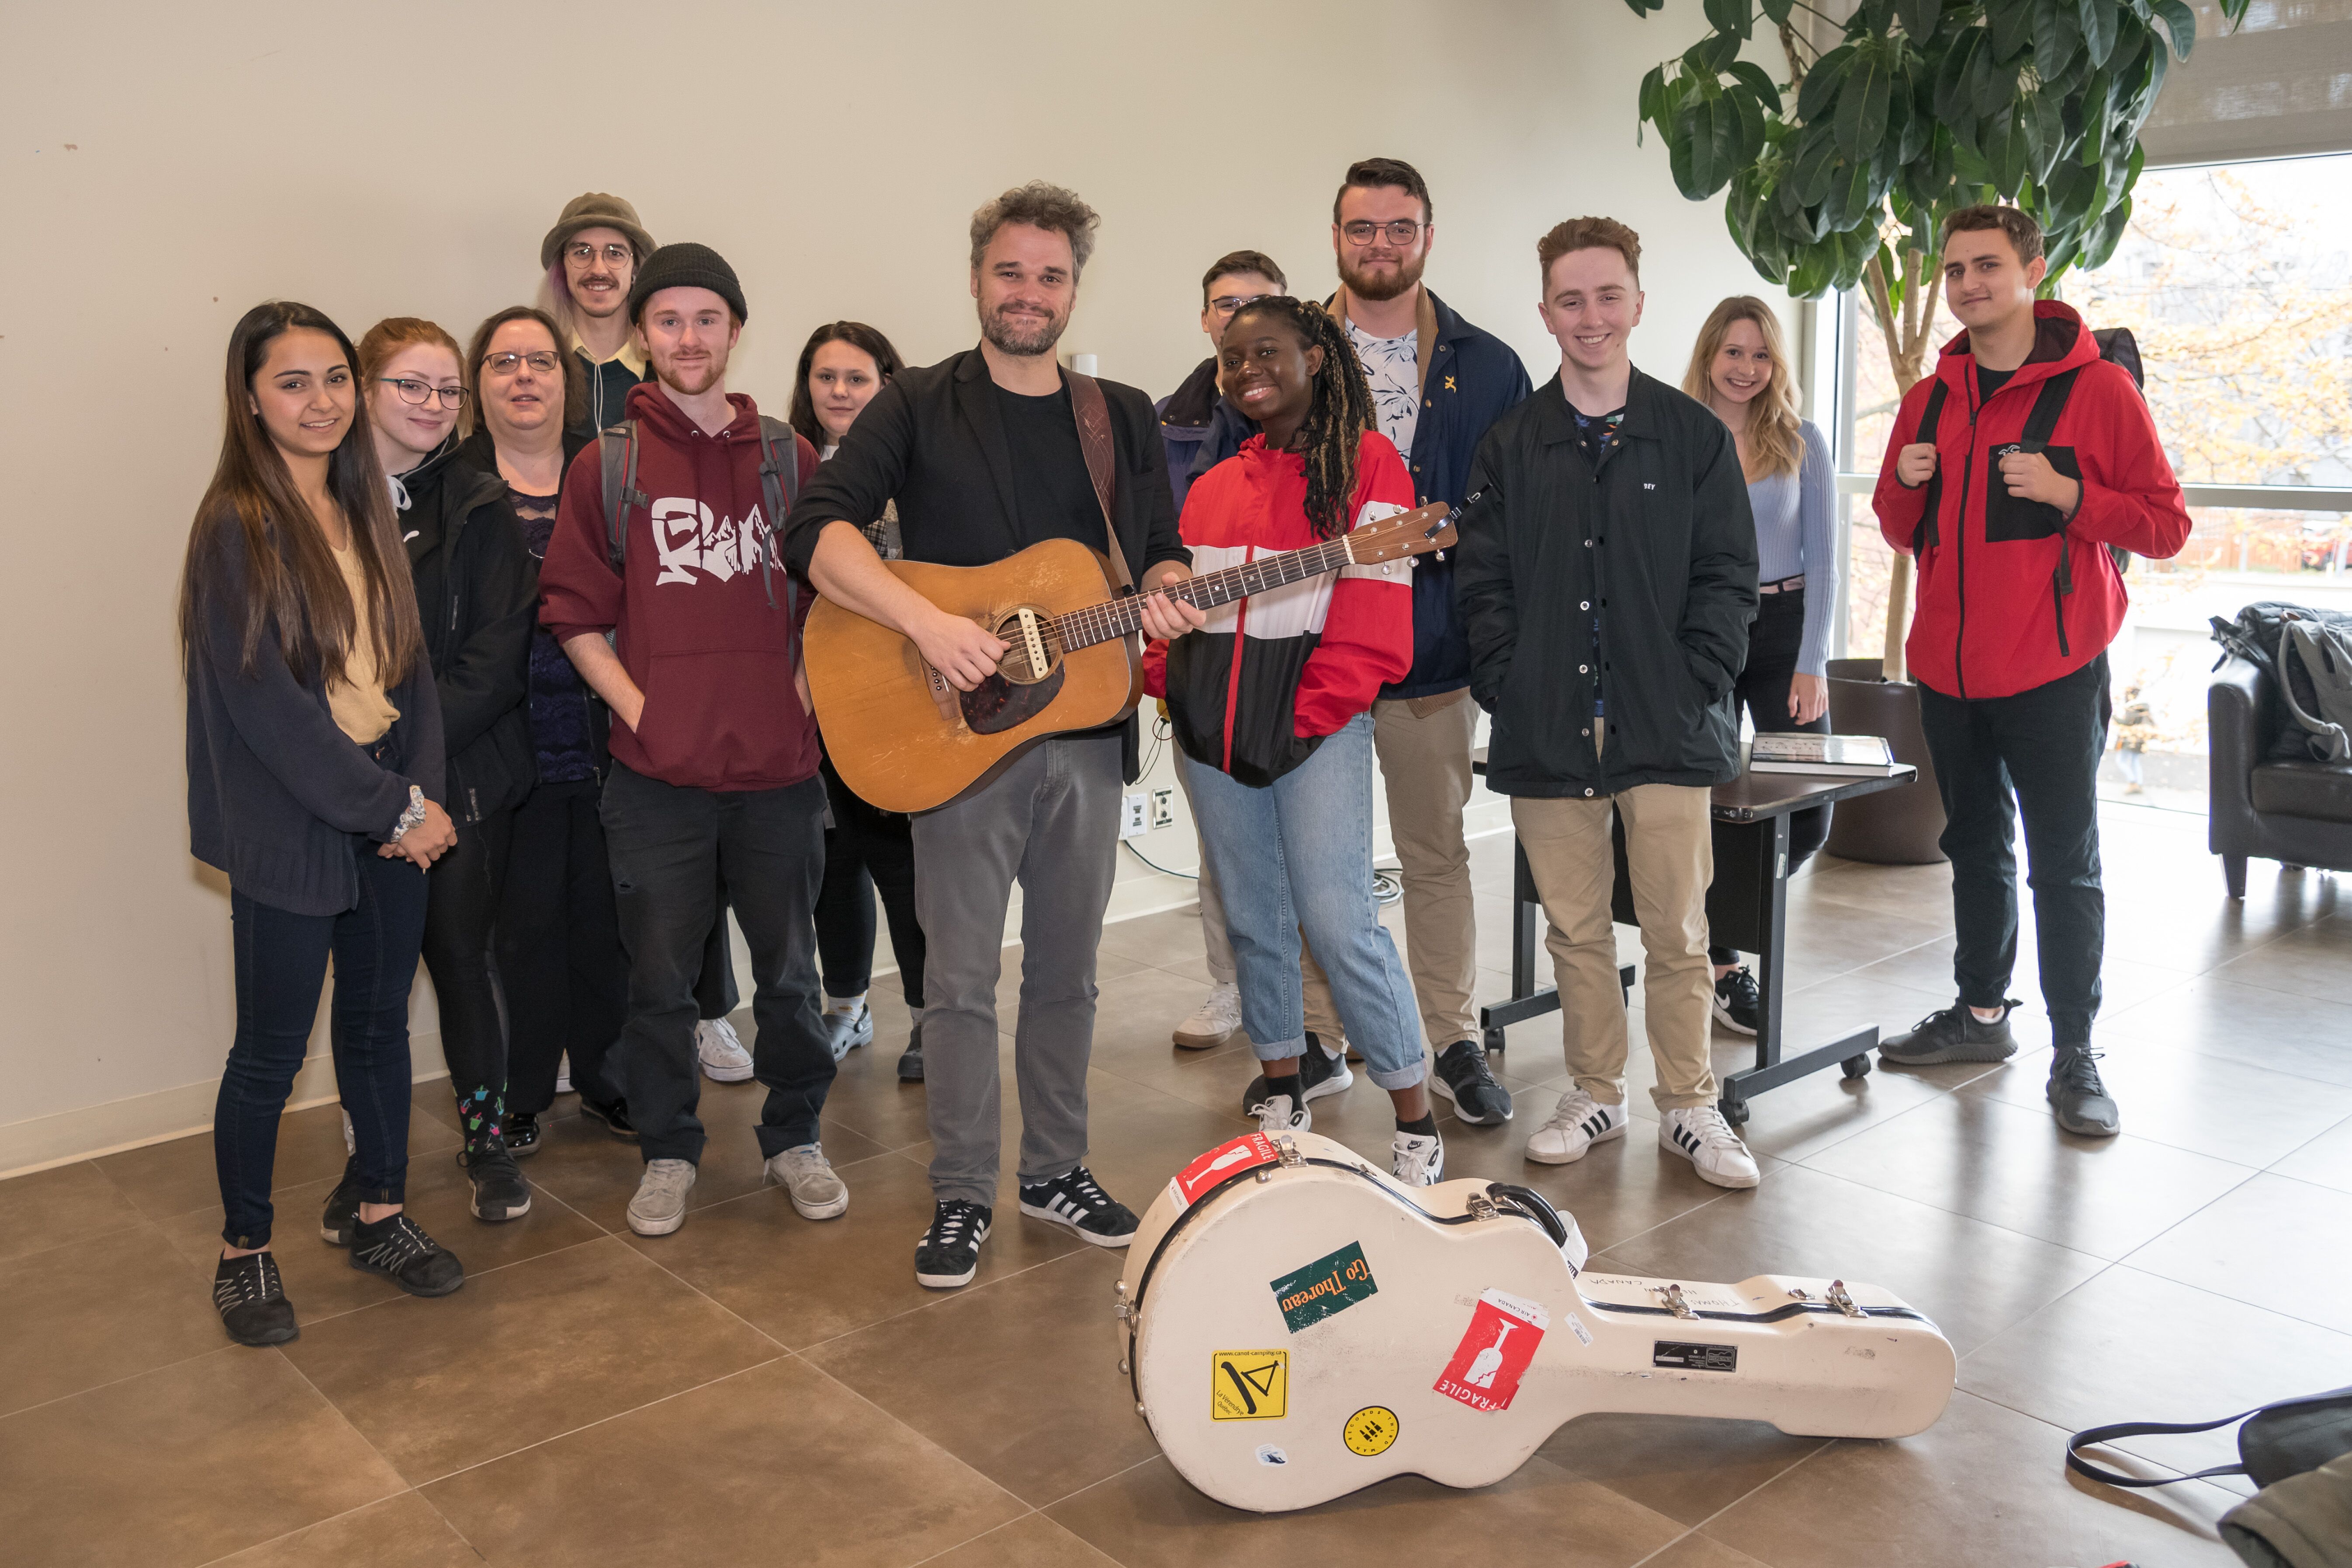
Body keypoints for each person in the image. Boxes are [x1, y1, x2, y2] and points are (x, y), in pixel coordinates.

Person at [787, 182, 1202, 1290]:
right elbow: (814, 528)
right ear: (977, 279)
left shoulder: (1119, 411)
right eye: (1011, 272)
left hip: (1081, 732)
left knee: (1067, 975)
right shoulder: (915, 403)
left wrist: (1166, 589)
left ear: (1075, 288)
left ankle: (1054, 1169)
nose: (1030, 293)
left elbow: (1159, 549)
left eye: (1051, 274)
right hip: (956, 737)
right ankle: (965, 1187)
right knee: (962, 982)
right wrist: (925, 622)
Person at [1199, 158, 1529, 1126]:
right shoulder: (1275, 350)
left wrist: (1462, 533)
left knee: (1431, 856)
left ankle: (1452, 1038)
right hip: (1297, 661)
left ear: (1428, 236)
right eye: (1361, 228)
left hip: (1431, 653)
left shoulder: (1488, 361)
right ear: (1335, 236)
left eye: (1399, 228)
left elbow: (1504, 506)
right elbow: (1232, 485)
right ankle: (1316, 1038)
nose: (1379, 245)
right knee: (1311, 878)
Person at [540, 244, 847, 1236]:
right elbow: (575, 614)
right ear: (642, 335)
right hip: (655, 779)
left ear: (734, 330)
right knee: (660, 984)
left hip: (778, 775)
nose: (686, 338)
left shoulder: (787, 458)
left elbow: (829, 601)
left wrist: (799, 695)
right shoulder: (608, 464)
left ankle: (795, 1135)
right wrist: (642, 710)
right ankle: (668, 1150)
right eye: (666, 320)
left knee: (791, 977)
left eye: (705, 319)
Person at [1455, 217, 1764, 1189]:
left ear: (1637, 303)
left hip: (1668, 727)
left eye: (1608, 296)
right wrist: (1508, 678)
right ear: (1547, 311)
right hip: (1547, 724)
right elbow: (1483, 581)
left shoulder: (1694, 437)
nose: (1591, 317)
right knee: (1576, 931)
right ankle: (1595, 1089)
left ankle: (1691, 1105)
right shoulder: (1514, 444)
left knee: (1677, 933)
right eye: (1571, 299)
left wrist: (1696, 676)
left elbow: (1728, 575)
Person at [1872, 205, 2191, 1137]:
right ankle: (1979, 1016)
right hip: (1949, 671)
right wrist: (1909, 483)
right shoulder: (1930, 398)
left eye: (1987, 266)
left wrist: (2071, 495)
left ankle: (2076, 1051)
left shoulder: (2096, 391)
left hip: (2054, 669)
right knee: (1974, 845)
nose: (1969, 284)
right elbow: (1898, 528)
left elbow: (2165, 525)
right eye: (1955, 269)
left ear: (2033, 269)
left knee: (2064, 863)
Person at [182, 301, 467, 1346]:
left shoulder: (369, 506)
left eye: (336, 377)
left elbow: (413, 665)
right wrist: (389, 806)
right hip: (295, 822)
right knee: (269, 1049)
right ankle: (244, 1251)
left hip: (391, 809)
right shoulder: (235, 526)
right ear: (251, 396)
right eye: (293, 380)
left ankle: (379, 1211)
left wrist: (423, 799)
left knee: (378, 1024)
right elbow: (270, 710)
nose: (320, 400)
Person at [1146, 296, 1444, 1183]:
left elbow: (1378, 625)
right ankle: (1282, 1079)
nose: (1247, 372)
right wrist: (1174, 696)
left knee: (1340, 918)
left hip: (1317, 732)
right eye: (1232, 360)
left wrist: (1306, 718)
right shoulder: (1209, 488)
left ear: (1316, 356)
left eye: (1265, 352)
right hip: (1211, 740)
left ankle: (1414, 1111)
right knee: (1253, 916)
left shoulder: (1368, 465)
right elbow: (1180, 625)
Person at [542, 197, 752, 1084]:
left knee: (714, 874)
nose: (597, 264)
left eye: (615, 251)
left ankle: (711, 1015)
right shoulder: (553, 377)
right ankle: (602, 1047)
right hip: (601, 664)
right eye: (580, 252)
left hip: (703, 683)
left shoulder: (725, 414)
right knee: (611, 877)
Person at [357, 318, 536, 1222]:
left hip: (459, 780)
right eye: (411, 387)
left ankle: (487, 1142)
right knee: (373, 986)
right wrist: (367, 779)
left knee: (464, 963)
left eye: (446, 391)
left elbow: (499, 661)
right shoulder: (320, 499)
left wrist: (410, 769)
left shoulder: (478, 500)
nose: (433, 406)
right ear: (363, 388)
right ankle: (371, 1163)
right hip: (350, 790)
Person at [1680, 297, 1838, 1036]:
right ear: (1709, 354)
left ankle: (1725, 922)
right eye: (1732, 351)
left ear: (1776, 364)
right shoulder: (1677, 437)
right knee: (1703, 804)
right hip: (1702, 628)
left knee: (1809, 807)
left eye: (1760, 354)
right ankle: (1721, 965)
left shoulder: (1800, 440)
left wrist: (1812, 660)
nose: (1744, 368)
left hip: (1783, 629)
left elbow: (1825, 561)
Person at [786, 320, 928, 1080]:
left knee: (902, 864)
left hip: (899, 697)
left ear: (886, 384)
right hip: (810, 701)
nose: (839, 392)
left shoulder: (918, 468)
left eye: (857, 378)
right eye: (825, 377)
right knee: (829, 861)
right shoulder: (788, 470)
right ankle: (846, 1003)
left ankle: (929, 1014)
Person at [1157, 249, 1286, 1052]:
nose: (1238, 315)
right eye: (1224, 303)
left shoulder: (1320, 409)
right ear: (1205, 319)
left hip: (1295, 652)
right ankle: (1229, 986)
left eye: (1258, 302)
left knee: (1305, 852)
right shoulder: (1165, 421)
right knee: (1219, 838)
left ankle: (1313, 1007)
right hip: (1201, 657)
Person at [543, 192, 656, 434]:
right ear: (562, 267)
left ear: (636, 269)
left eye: (615, 253)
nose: (598, 269)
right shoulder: (536, 368)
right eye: (582, 252)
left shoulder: (667, 370)